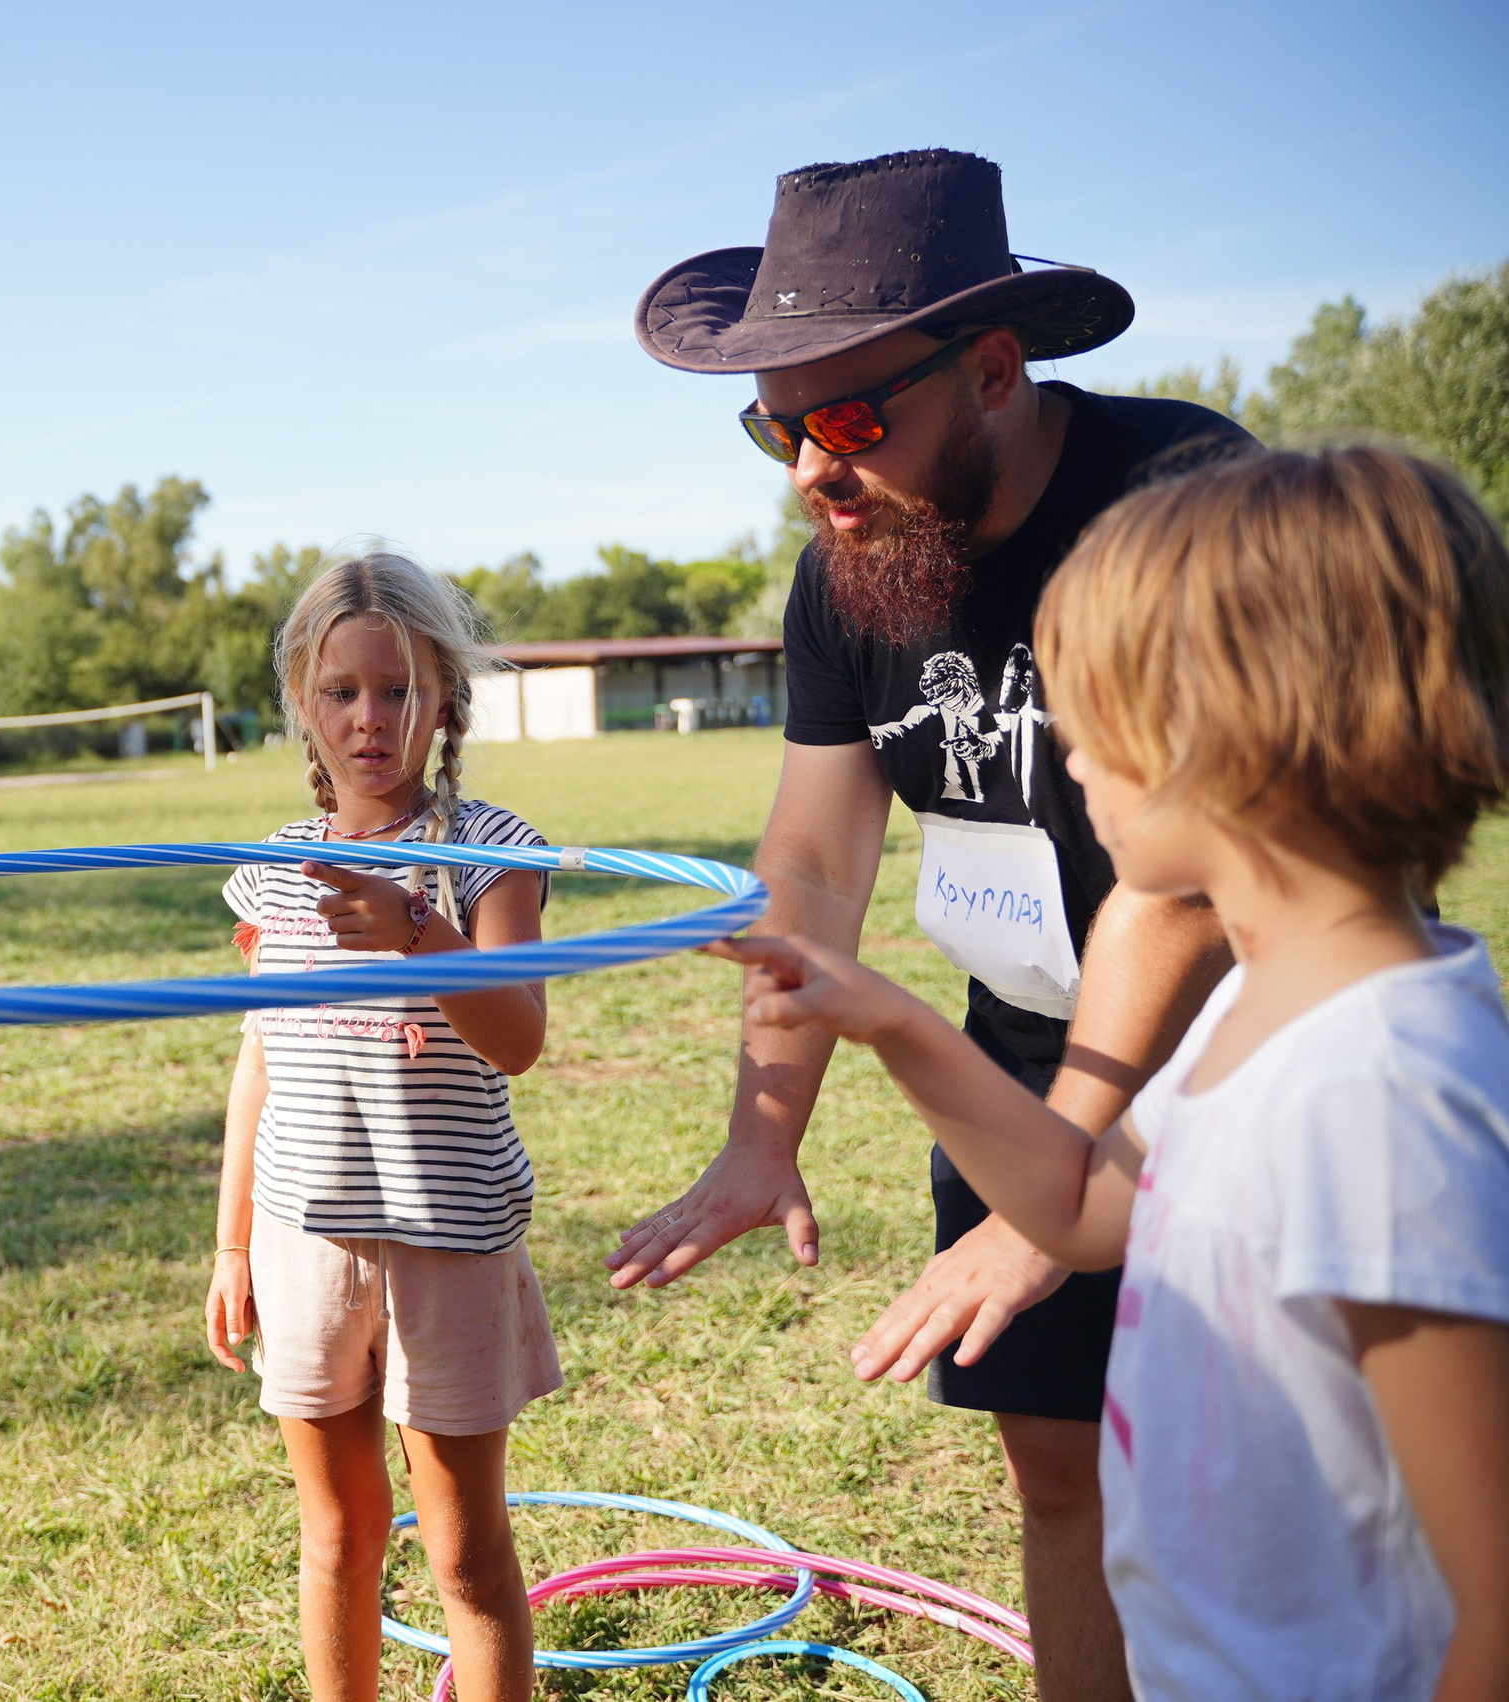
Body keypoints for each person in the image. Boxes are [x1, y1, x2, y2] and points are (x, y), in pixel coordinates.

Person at [607, 148, 1251, 1698]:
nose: (810, 470)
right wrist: (764, 1135)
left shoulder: (1181, 507)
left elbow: (1206, 877)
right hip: (1014, 1058)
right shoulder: (847, 575)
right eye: (776, 425)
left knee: (1250, 1483)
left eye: (849, 419)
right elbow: (813, 869)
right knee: (1055, 1474)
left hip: (1237, 1067)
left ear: (994, 369)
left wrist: (1073, 1167)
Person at [714, 445, 1509, 1701]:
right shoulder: (1250, 1014)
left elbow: (1495, 1599)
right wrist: (897, 1025)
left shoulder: (1379, 1091)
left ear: (1240, 733)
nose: (1065, 752)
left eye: (1102, 709)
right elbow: (1081, 1209)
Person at [204, 551, 558, 1702]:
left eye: (399, 690)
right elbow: (258, 1056)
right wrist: (230, 1243)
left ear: (445, 700)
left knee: (462, 1549)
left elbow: (515, 1036)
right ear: (302, 704)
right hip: (306, 1242)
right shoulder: (271, 874)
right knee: (340, 1537)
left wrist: (419, 928)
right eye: (342, 692)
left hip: (447, 1238)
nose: (370, 720)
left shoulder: (490, 852)